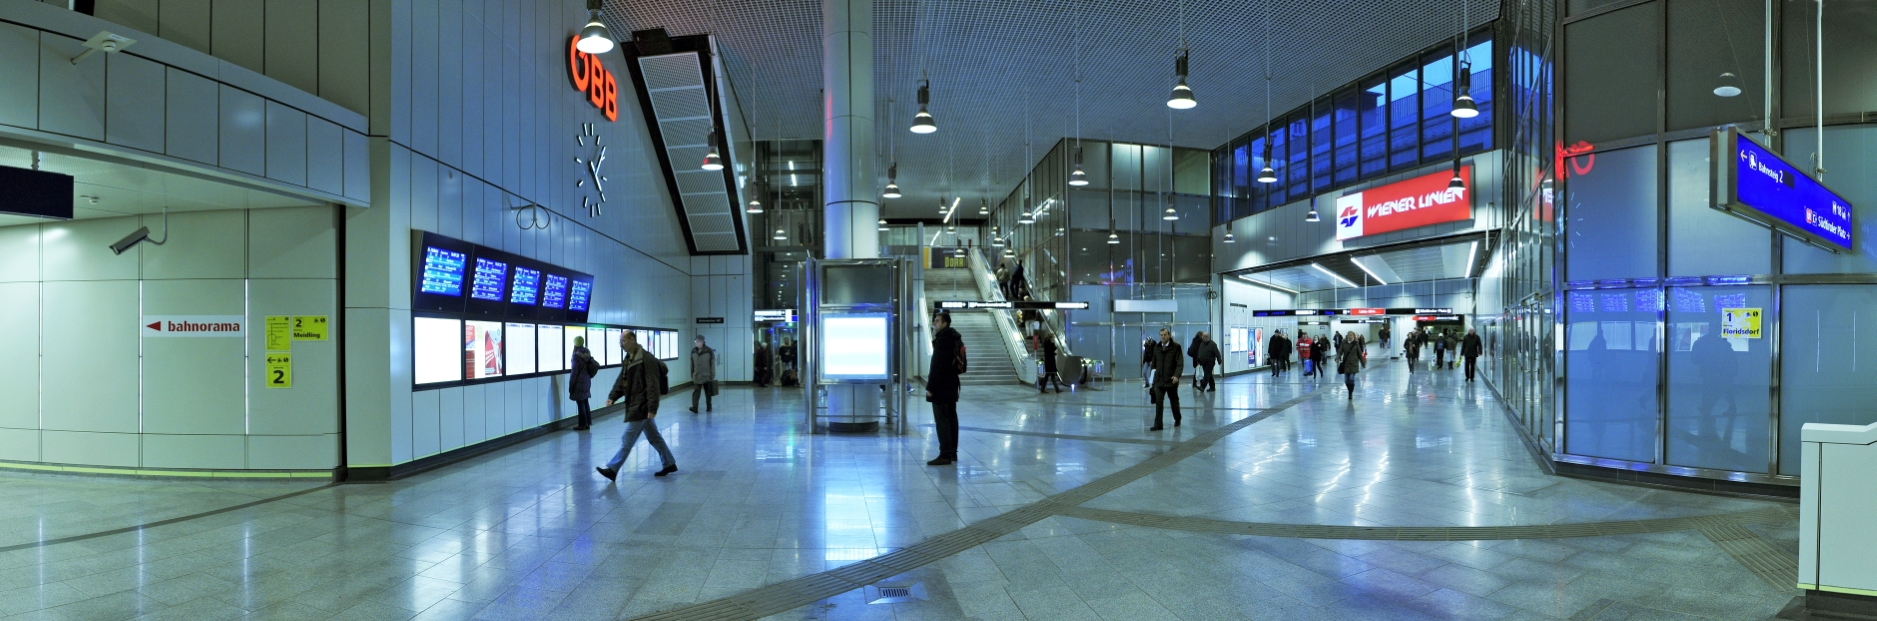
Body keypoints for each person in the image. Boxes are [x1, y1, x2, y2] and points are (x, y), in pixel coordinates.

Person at [595, 331, 676, 481]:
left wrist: (652, 408)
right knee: (654, 437)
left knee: (628, 437)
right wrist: (613, 397)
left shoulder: (646, 359)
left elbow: (653, 385)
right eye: (620, 342)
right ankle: (669, 463)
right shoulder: (629, 359)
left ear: (632, 340)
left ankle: (612, 469)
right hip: (636, 403)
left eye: (623, 341)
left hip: (642, 406)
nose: (621, 344)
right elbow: (622, 380)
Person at [926, 311, 964, 466]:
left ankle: (945, 454)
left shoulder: (942, 340)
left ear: (945, 323)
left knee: (941, 419)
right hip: (952, 384)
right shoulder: (955, 338)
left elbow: (937, 366)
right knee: (952, 419)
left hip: (941, 387)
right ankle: (952, 452)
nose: (934, 323)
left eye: (937, 321)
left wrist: (930, 387)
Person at [1149, 328, 1184, 430]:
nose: (1163, 337)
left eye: (1164, 335)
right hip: (1159, 381)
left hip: (1171, 380)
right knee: (1159, 402)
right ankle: (1158, 424)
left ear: (1169, 335)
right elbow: (1154, 365)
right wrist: (1153, 381)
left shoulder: (1176, 347)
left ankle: (1177, 418)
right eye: (1161, 335)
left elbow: (1180, 363)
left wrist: (1177, 376)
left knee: (1174, 401)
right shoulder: (1157, 347)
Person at [569, 336, 598, 430]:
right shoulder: (587, 353)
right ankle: (587, 423)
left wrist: (571, 385)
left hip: (579, 382)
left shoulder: (575, 355)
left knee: (580, 402)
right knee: (585, 401)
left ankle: (582, 424)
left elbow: (574, 372)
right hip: (587, 380)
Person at [689, 335, 716, 413]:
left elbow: (712, 364)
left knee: (708, 393)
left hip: (706, 376)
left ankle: (709, 407)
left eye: (697, 341)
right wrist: (692, 375)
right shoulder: (693, 351)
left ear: (702, 342)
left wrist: (712, 375)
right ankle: (695, 407)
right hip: (697, 376)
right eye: (695, 341)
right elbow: (691, 365)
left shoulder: (709, 351)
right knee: (696, 392)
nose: (696, 343)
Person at [1338, 330, 1364, 399]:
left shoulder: (1356, 343)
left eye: (1351, 335)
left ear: (1353, 336)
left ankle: (1350, 393)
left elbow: (1359, 354)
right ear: (1347, 336)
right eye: (1349, 335)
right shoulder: (1344, 343)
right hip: (1346, 364)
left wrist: (1363, 363)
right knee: (1346, 380)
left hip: (1354, 364)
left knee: (1351, 379)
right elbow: (1340, 351)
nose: (1350, 336)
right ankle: (1350, 390)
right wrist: (1337, 357)